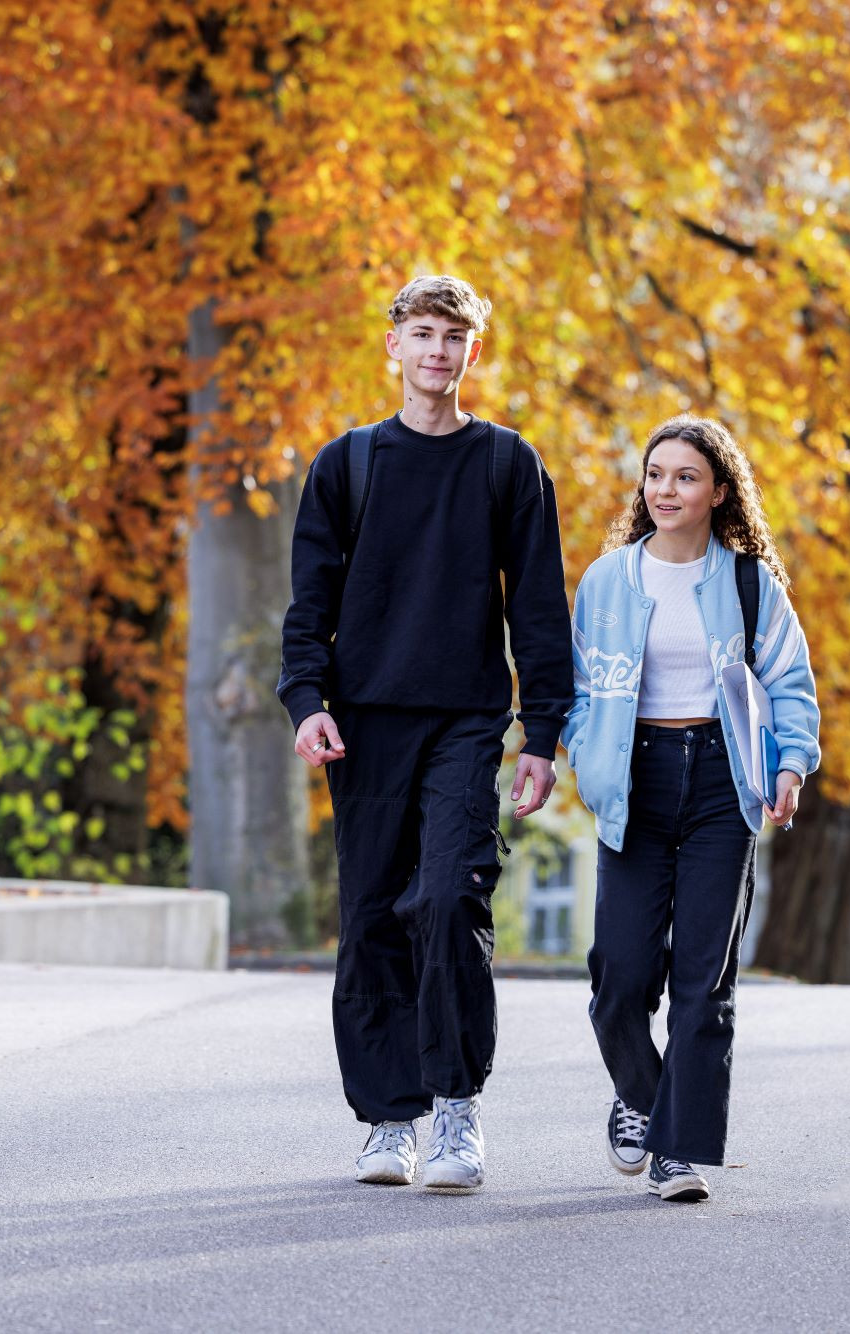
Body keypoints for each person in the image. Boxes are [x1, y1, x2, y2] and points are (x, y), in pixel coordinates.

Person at [277, 275, 574, 1192]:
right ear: (394, 348)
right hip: (363, 723)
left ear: (473, 353)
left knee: (447, 900)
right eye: (423, 334)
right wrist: (307, 701)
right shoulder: (347, 465)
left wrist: (541, 734)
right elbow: (309, 605)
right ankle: (388, 1121)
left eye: (455, 337)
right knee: (370, 916)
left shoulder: (505, 465)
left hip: (464, 719)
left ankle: (454, 1108)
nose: (438, 351)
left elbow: (536, 608)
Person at [561, 414, 820, 1203]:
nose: (666, 489)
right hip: (634, 781)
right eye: (656, 475)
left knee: (703, 980)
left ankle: (680, 1147)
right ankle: (642, 1094)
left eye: (685, 477)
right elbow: (574, 690)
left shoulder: (746, 582)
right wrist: (586, 753)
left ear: (717, 492)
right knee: (620, 975)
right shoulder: (608, 580)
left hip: (720, 778)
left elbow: (789, 684)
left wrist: (791, 766)